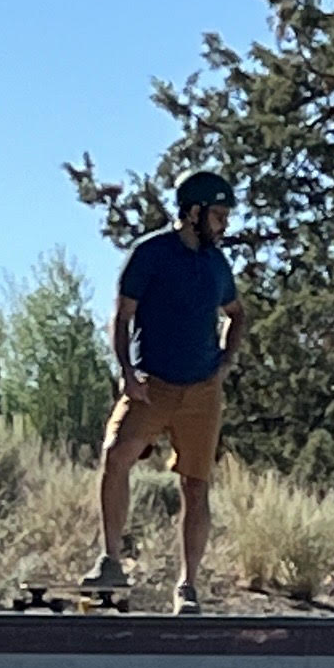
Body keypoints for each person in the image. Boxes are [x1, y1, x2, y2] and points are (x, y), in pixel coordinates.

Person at [87, 169, 250, 613]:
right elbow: (122, 317)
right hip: (150, 385)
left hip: (201, 393)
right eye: (218, 215)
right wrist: (126, 370)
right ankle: (111, 561)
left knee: (195, 487)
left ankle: (188, 588)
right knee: (116, 456)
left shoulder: (217, 264)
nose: (223, 224)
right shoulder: (151, 253)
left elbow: (236, 313)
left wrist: (224, 363)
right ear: (193, 212)